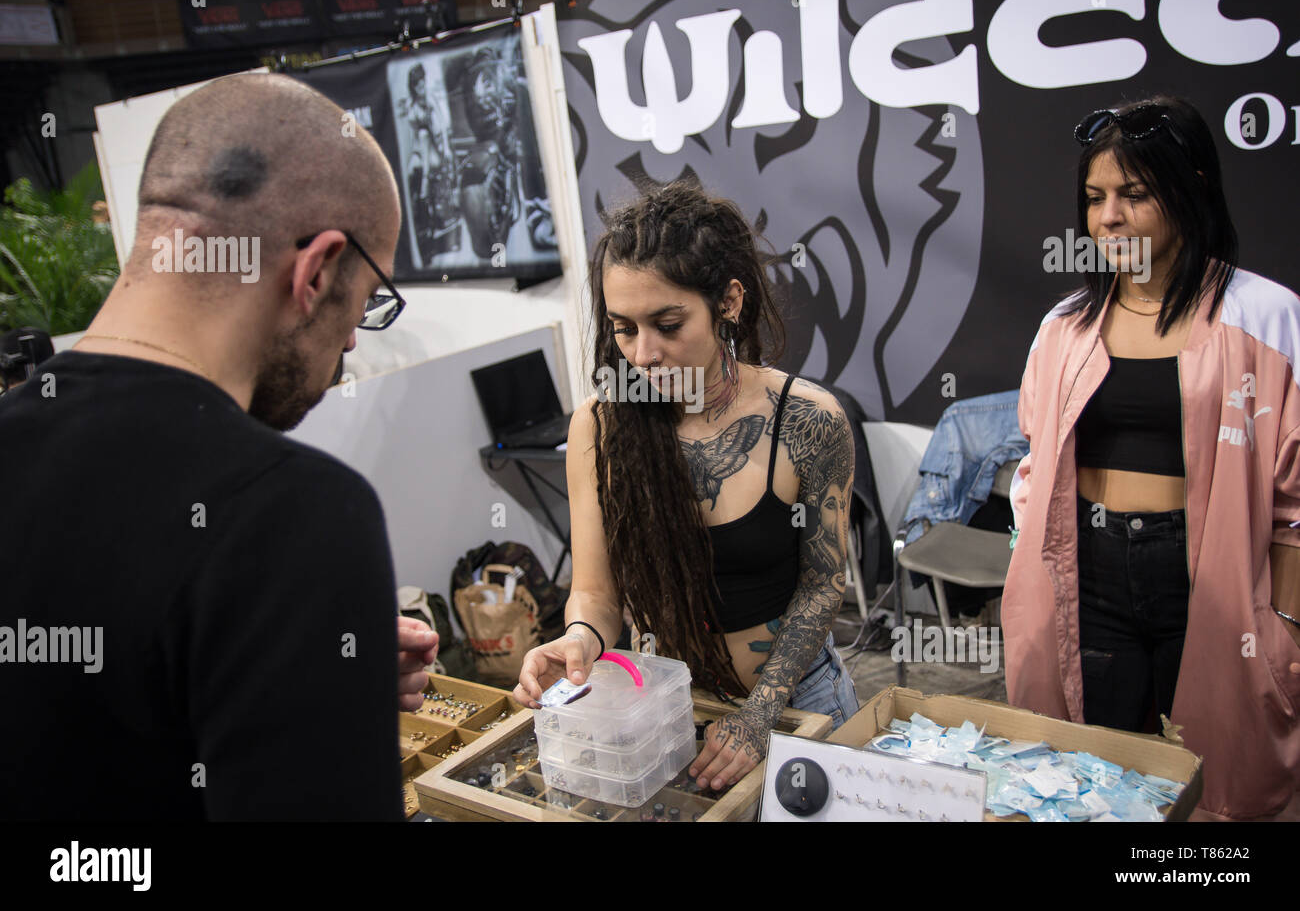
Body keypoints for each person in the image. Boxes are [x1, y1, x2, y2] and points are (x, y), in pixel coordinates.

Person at [0, 73, 437, 819]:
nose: (353, 338)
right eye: (366, 303)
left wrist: (295, 657)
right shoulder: (293, 514)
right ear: (318, 269)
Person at [1004, 96, 1300, 820]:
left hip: (1213, 586)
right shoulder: (1065, 326)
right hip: (1092, 577)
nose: (1109, 217)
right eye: (1096, 198)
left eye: (1134, 195)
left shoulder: (1265, 317)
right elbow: (1037, 466)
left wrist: (1284, 626)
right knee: (1089, 772)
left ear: (1190, 186)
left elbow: (1295, 508)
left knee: (1217, 783)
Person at [513, 183, 859, 792]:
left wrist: (759, 716)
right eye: (622, 329)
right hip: (671, 714)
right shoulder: (600, 429)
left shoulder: (807, 420)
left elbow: (823, 584)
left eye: (668, 324)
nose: (643, 355)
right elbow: (596, 592)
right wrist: (576, 641)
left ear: (728, 301)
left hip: (800, 705)